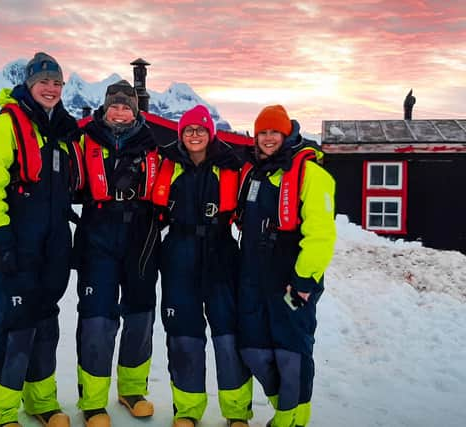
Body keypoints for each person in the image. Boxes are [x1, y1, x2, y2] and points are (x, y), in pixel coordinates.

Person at [0, 52, 83, 427]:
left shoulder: (62, 134)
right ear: (29, 85)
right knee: (14, 324)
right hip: (14, 244)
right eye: (43, 82)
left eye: (56, 83)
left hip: (52, 246)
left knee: (45, 322)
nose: (50, 89)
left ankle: (41, 402)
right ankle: (0, 412)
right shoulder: (2, 128)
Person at [235, 105, 336, 427]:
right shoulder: (254, 173)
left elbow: (321, 234)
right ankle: (283, 406)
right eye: (262, 132)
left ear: (286, 133)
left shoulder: (311, 175)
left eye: (273, 132)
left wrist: (304, 280)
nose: (267, 138)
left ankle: (293, 418)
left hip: (292, 279)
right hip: (253, 276)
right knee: (253, 348)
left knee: (292, 350)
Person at [153, 105, 253, 427]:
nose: (194, 135)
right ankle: (187, 409)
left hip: (221, 252)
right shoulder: (167, 165)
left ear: (210, 133)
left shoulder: (230, 166)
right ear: (180, 135)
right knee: (184, 335)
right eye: (188, 130)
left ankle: (236, 411)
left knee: (228, 336)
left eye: (200, 129)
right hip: (179, 253)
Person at [72, 79, 160, 427]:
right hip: (98, 235)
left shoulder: (152, 144)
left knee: (140, 316)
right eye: (115, 106)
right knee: (97, 318)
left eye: (126, 106)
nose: (120, 112)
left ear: (135, 111)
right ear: (105, 108)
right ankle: (93, 402)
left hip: (141, 237)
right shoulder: (84, 139)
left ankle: (133, 391)